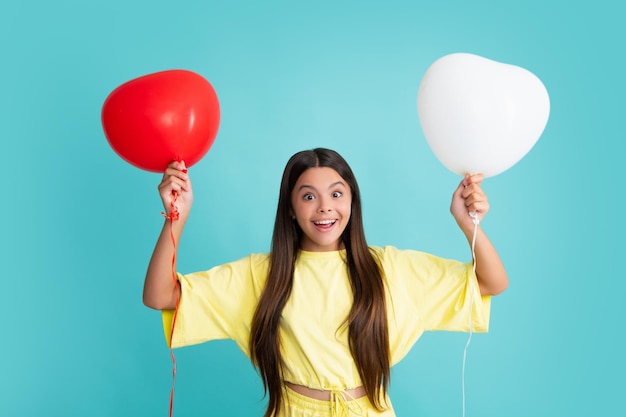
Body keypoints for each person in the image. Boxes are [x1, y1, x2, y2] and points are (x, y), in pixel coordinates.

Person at [143, 148, 508, 417]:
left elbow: (491, 283)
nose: (324, 208)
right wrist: (176, 216)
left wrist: (467, 222)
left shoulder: (391, 268)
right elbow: (160, 295)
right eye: (308, 196)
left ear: (352, 201)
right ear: (290, 207)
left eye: (336, 193)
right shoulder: (260, 275)